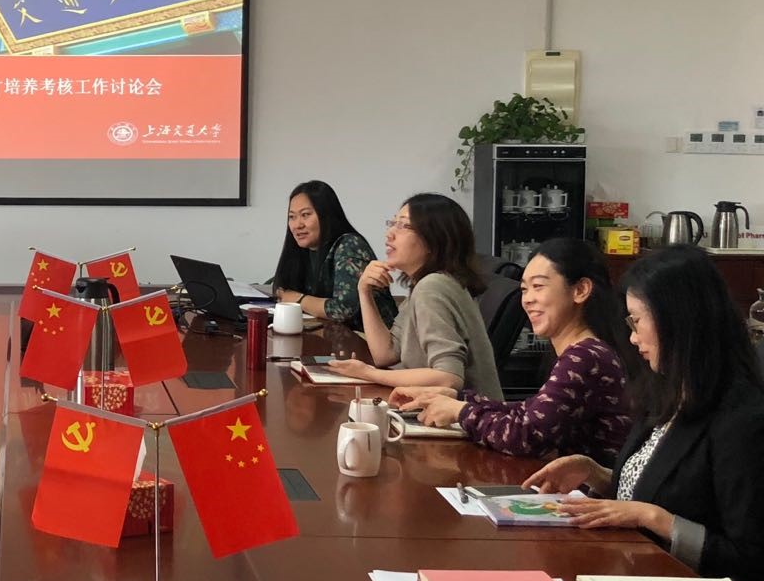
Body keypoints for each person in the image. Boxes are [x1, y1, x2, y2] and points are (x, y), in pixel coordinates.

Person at [525, 246, 764, 581]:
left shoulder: (740, 419)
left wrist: (654, 518)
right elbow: (655, 487)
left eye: (637, 321)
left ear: (677, 321)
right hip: (634, 574)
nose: (633, 338)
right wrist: (594, 473)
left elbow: (749, 559)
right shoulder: (667, 392)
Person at [390, 238, 635, 464]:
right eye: (525, 289)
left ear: (580, 290)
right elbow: (530, 412)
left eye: (538, 286)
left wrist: (461, 411)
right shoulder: (584, 351)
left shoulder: (586, 356)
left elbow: (527, 435)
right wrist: (458, 398)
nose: (527, 299)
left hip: (585, 493)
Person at [326, 193, 503, 400]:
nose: (390, 234)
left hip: (470, 416)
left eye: (403, 226)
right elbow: (385, 354)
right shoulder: (426, 283)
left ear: (434, 239)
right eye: (393, 223)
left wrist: (369, 374)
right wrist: (364, 291)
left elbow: (448, 378)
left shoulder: (433, 287)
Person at [269, 180, 397, 330]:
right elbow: (282, 288)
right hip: (333, 336)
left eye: (305, 215)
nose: (297, 225)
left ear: (326, 215)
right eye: (292, 217)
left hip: (369, 339)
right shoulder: (304, 249)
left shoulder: (349, 245)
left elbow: (343, 309)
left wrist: (298, 299)